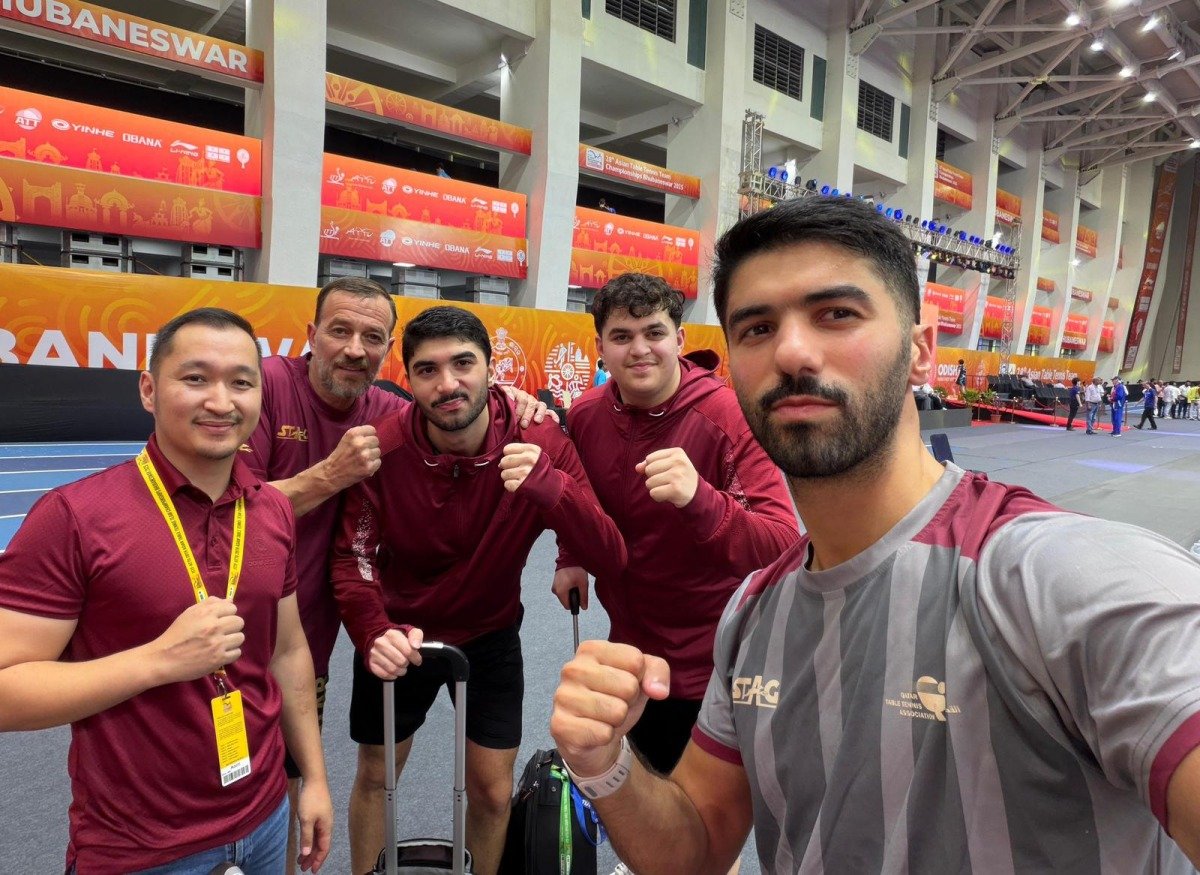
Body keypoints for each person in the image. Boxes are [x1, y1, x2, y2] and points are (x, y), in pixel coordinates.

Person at [548, 196, 1200, 873]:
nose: (793, 350)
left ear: (922, 352)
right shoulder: (752, 615)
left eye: (837, 314)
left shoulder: (1061, 576)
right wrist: (605, 766)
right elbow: (696, 849)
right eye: (756, 327)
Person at [0, 308, 333, 874]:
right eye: (196, 378)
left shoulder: (273, 509)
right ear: (149, 390)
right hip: (140, 847)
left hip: (264, 815)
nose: (221, 401)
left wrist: (316, 779)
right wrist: (159, 661)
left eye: (241, 382)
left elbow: (287, 650)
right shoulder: (75, 516)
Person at [243, 277, 550, 871]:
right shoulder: (266, 387)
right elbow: (224, 514)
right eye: (339, 330)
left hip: (309, 636)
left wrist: (510, 398)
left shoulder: (390, 410)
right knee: (250, 791)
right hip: (241, 624)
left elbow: (456, 399)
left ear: (388, 356)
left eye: (372, 337)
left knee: (288, 781)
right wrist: (329, 475)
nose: (355, 348)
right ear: (310, 335)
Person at [330, 306, 626, 875]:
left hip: (491, 635)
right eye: (428, 370)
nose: (448, 384)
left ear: (492, 370)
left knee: (491, 792)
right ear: (409, 378)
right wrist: (372, 633)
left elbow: (609, 552)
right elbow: (353, 557)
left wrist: (550, 488)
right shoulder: (382, 451)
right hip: (399, 636)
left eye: (463, 363)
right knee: (375, 776)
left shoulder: (539, 437)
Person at [556, 272, 800, 785]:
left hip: (712, 654)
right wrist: (569, 556)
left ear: (680, 340)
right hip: (631, 644)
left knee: (708, 822)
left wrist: (701, 499)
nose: (639, 350)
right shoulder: (584, 417)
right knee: (644, 792)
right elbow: (578, 500)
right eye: (622, 337)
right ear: (600, 347)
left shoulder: (728, 416)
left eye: (654, 332)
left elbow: (781, 543)